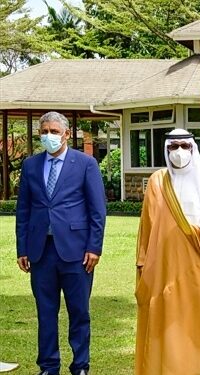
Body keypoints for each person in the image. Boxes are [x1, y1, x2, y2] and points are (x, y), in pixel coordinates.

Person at [135, 129, 200, 375]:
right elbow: (148, 226)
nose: (179, 152)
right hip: (165, 264)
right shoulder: (158, 181)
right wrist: (143, 263)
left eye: (184, 146)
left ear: (193, 149)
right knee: (169, 315)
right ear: (166, 150)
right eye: (174, 147)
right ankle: (172, 366)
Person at [15, 111, 107, 375]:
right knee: (45, 312)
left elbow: (97, 211)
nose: (49, 136)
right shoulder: (31, 165)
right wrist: (22, 248)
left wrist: (94, 247)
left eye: (54, 132)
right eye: (44, 131)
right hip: (40, 251)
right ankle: (48, 366)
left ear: (66, 134)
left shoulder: (86, 164)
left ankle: (80, 366)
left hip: (77, 252)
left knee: (79, 312)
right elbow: (23, 210)